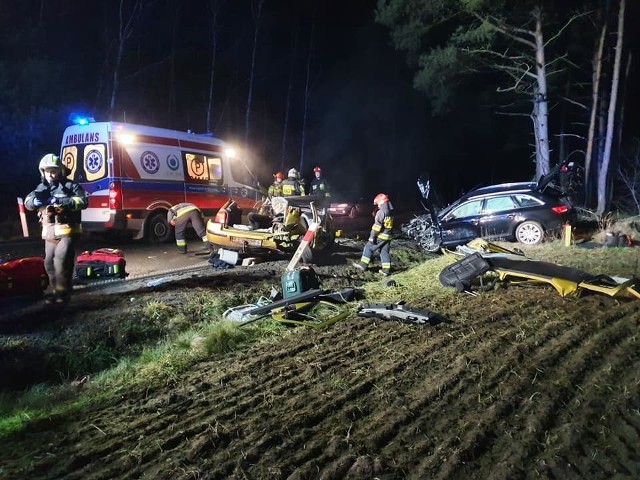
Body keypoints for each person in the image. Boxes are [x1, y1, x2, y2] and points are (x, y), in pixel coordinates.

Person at [24, 153, 88, 305]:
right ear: (43, 172)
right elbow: (28, 201)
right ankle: (56, 289)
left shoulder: (71, 186)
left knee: (61, 259)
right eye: (47, 171)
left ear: (60, 171)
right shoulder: (41, 188)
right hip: (49, 233)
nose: (51, 174)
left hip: (68, 231)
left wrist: (63, 201)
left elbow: (84, 201)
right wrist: (33, 201)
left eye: (54, 171)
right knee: (48, 263)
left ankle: (62, 293)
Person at [352, 193, 394, 276]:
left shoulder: (381, 212)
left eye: (378, 204)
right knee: (384, 252)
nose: (378, 206)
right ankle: (386, 271)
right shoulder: (390, 211)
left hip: (381, 236)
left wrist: (372, 237)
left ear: (382, 202)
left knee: (368, 248)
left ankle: (363, 265)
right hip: (388, 236)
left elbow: (376, 228)